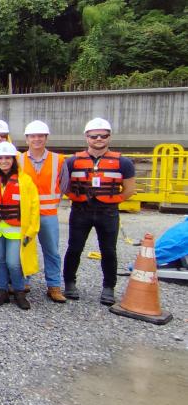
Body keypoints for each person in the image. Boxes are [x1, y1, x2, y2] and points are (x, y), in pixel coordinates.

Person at [61, 118, 136, 305]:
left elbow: (129, 190)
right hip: (80, 210)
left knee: (109, 250)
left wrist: (113, 201)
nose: (99, 139)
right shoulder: (72, 162)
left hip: (108, 212)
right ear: (87, 137)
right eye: (94, 136)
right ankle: (69, 283)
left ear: (109, 137)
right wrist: (75, 197)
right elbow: (64, 186)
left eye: (103, 135)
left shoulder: (123, 162)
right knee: (74, 248)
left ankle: (109, 288)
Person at [0, 142, 40, 310]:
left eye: (7, 158)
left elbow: (34, 206)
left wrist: (32, 230)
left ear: (13, 160)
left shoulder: (25, 180)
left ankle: (19, 291)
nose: (3, 161)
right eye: (0, 158)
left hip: (17, 230)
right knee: (0, 261)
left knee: (13, 262)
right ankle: (1, 290)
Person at [20, 120, 66, 303]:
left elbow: (64, 184)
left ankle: (54, 286)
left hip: (48, 214)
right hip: (26, 214)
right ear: (27, 139)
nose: (37, 139)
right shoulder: (18, 160)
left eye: (40, 136)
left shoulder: (59, 160)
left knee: (52, 250)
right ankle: (24, 281)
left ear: (46, 138)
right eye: (33, 136)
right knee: (25, 248)